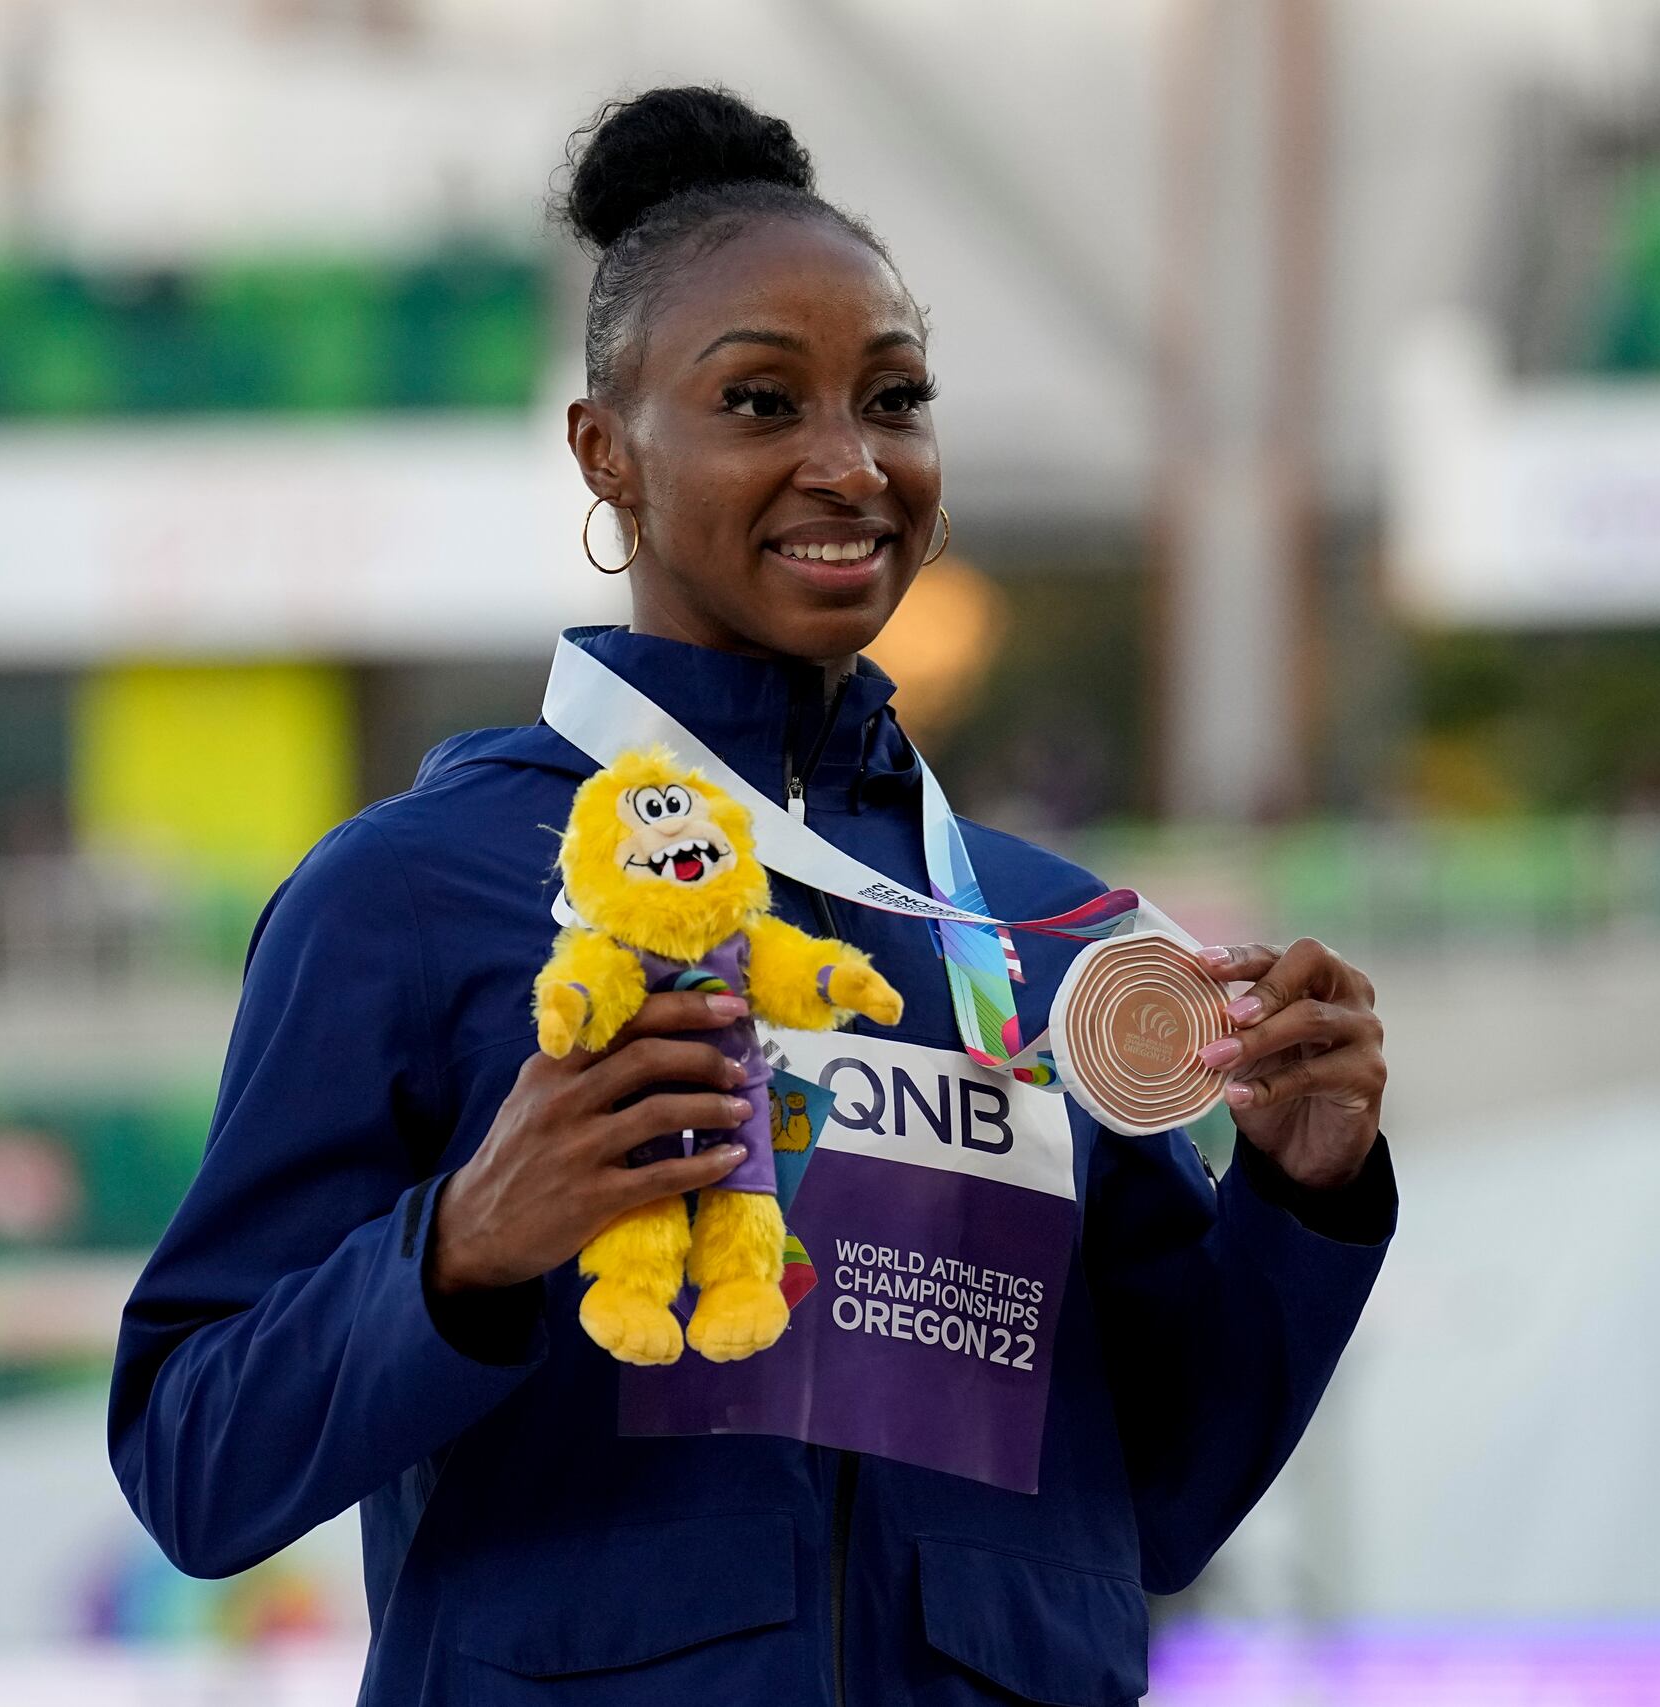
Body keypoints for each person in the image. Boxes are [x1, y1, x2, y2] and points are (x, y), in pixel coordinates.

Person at [110, 86, 1396, 1706]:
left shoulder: (1040, 935)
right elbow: (191, 1462)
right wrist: (464, 1247)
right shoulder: (412, 896)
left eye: (897, 400)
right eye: (761, 403)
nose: (850, 465)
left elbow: (1163, 1497)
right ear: (607, 453)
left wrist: (1300, 1194)